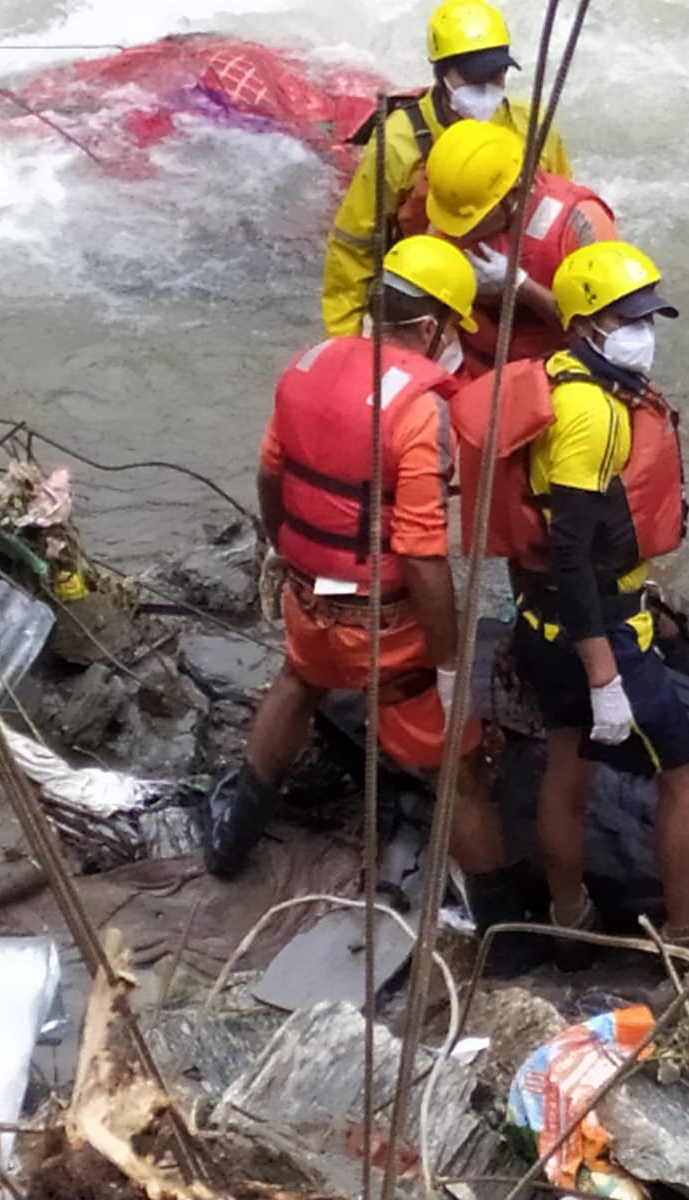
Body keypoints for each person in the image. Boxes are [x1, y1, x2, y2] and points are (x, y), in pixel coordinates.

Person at [206, 235, 519, 935]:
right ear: (433, 325)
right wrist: (448, 665)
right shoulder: (422, 411)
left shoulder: (309, 363)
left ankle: (231, 843)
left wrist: (285, 551)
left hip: (308, 600)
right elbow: (422, 555)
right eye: (454, 329)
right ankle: (505, 933)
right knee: (458, 772)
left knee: (298, 681)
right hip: (387, 629)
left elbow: (269, 474)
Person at [448, 241, 689, 953]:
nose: (644, 332)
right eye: (629, 320)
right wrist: (604, 676)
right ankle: (687, 941)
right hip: (599, 633)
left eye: (649, 318)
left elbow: (539, 541)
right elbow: (570, 552)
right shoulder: (593, 414)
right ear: (587, 325)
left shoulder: (558, 379)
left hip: (542, 624)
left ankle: (570, 919)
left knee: (569, 767)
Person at [321, 0, 572, 338]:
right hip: (432, 289)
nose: (487, 86)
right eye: (473, 78)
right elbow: (354, 246)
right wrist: (346, 339)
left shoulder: (530, 126)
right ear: (441, 73)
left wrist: (526, 287)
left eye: (496, 75)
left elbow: (561, 213)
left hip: (515, 285)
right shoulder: (398, 142)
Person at [414, 119, 618, 377]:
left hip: (557, 370)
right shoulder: (454, 205)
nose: (461, 232)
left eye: (475, 222)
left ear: (512, 195)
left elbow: (606, 332)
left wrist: (521, 285)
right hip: (474, 364)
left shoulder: (581, 221)